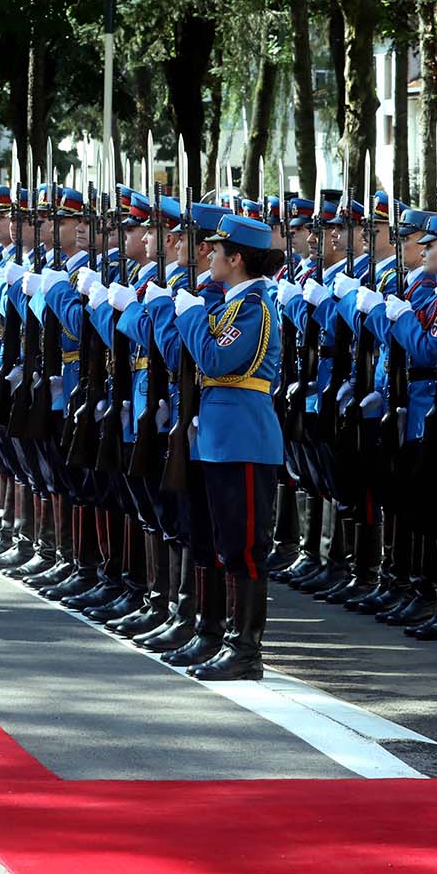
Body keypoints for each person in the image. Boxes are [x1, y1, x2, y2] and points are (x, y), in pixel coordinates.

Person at [169, 213, 283, 680]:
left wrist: (190, 313)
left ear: (236, 259)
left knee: (245, 546)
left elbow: (216, 357)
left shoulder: (254, 307)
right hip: (216, 438)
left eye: (216, 250)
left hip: (244, 439)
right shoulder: (227, 305)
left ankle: (246, 650)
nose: (209, 255)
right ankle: (212, 632)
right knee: (214, 542)